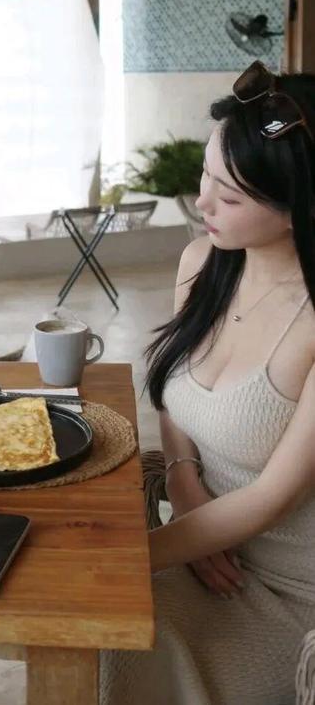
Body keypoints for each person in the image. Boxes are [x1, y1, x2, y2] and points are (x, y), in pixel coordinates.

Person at [100, 61, 315, 705]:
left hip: (289, 587)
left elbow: (273, 497)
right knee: (104, 631)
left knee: (129, 638)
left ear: (296, 208)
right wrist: (184, 487)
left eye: (230, 196)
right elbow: (173, 394)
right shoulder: (203, 263)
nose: (202, 204)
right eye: (205, 177)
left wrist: (132, 558)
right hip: (203, 534)